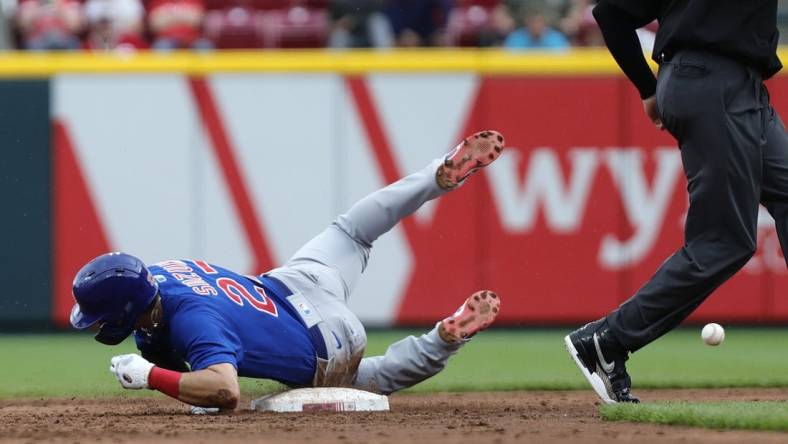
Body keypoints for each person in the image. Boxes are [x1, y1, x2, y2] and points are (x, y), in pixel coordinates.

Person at [70, 130, 506, 410]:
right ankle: (437, 174)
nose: (97, 324)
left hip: (324, 340)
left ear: (127, 309)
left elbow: (224, 391)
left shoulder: (191, 321)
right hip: (296, 282)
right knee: (354, 231)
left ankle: (443, 340)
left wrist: (151, 376)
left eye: (102, 315)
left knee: (364, 382)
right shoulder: (162, 273)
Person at [565, 0, 784, 404]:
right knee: (723, 241)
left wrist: (650, 89)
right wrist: (648, 87)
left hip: (735, 86)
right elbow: (609, 14)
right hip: (710, 83)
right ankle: (608, 340)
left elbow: (611, 14)